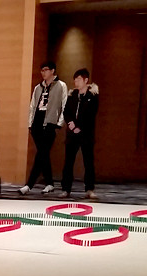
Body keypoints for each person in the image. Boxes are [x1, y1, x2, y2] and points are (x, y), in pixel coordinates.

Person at [20, 61, 67, 195]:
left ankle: (29, 184)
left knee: (41, 153)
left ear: (52, 71)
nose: (43, 73)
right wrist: (30, 124)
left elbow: (64, 105)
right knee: (43, 154)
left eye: (46, 70)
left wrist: (59, 123)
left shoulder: (61, 85)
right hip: (37, 123)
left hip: (50, 123)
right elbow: (32, 106)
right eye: (42, 70)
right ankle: (49, 183)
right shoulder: (38, 87)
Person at [60, 69, 99, 200]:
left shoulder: (92, 96)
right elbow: (66, 112)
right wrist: (71, 124)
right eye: (75, 80)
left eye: (79, 79)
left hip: (86, 134)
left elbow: (91, 115)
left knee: (88, 162)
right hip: (72, 134)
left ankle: (89, 188)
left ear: (86, 80)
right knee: (68, 162)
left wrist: (79, 127)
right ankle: (66, 189)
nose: (76, 82)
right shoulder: (72, 95)